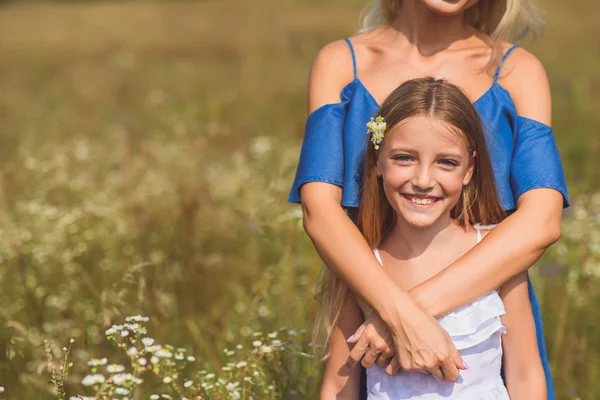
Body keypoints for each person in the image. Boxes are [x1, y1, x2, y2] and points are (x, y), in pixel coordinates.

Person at [289, 0, 569, 398]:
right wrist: (394, 313)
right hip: (362, 301)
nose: (423, 179)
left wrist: (405, 315)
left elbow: (542, 221)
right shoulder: (339, 64)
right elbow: (319, 210)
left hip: (490, 316)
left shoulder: (517, 71)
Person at [318, 77, 547, 399]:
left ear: (469, 170)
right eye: (404, 158)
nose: (423, 180)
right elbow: (338, 386)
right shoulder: (361, 264)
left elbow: (525, 375)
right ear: (377, 162)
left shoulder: (498, 254)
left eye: (446, 162)